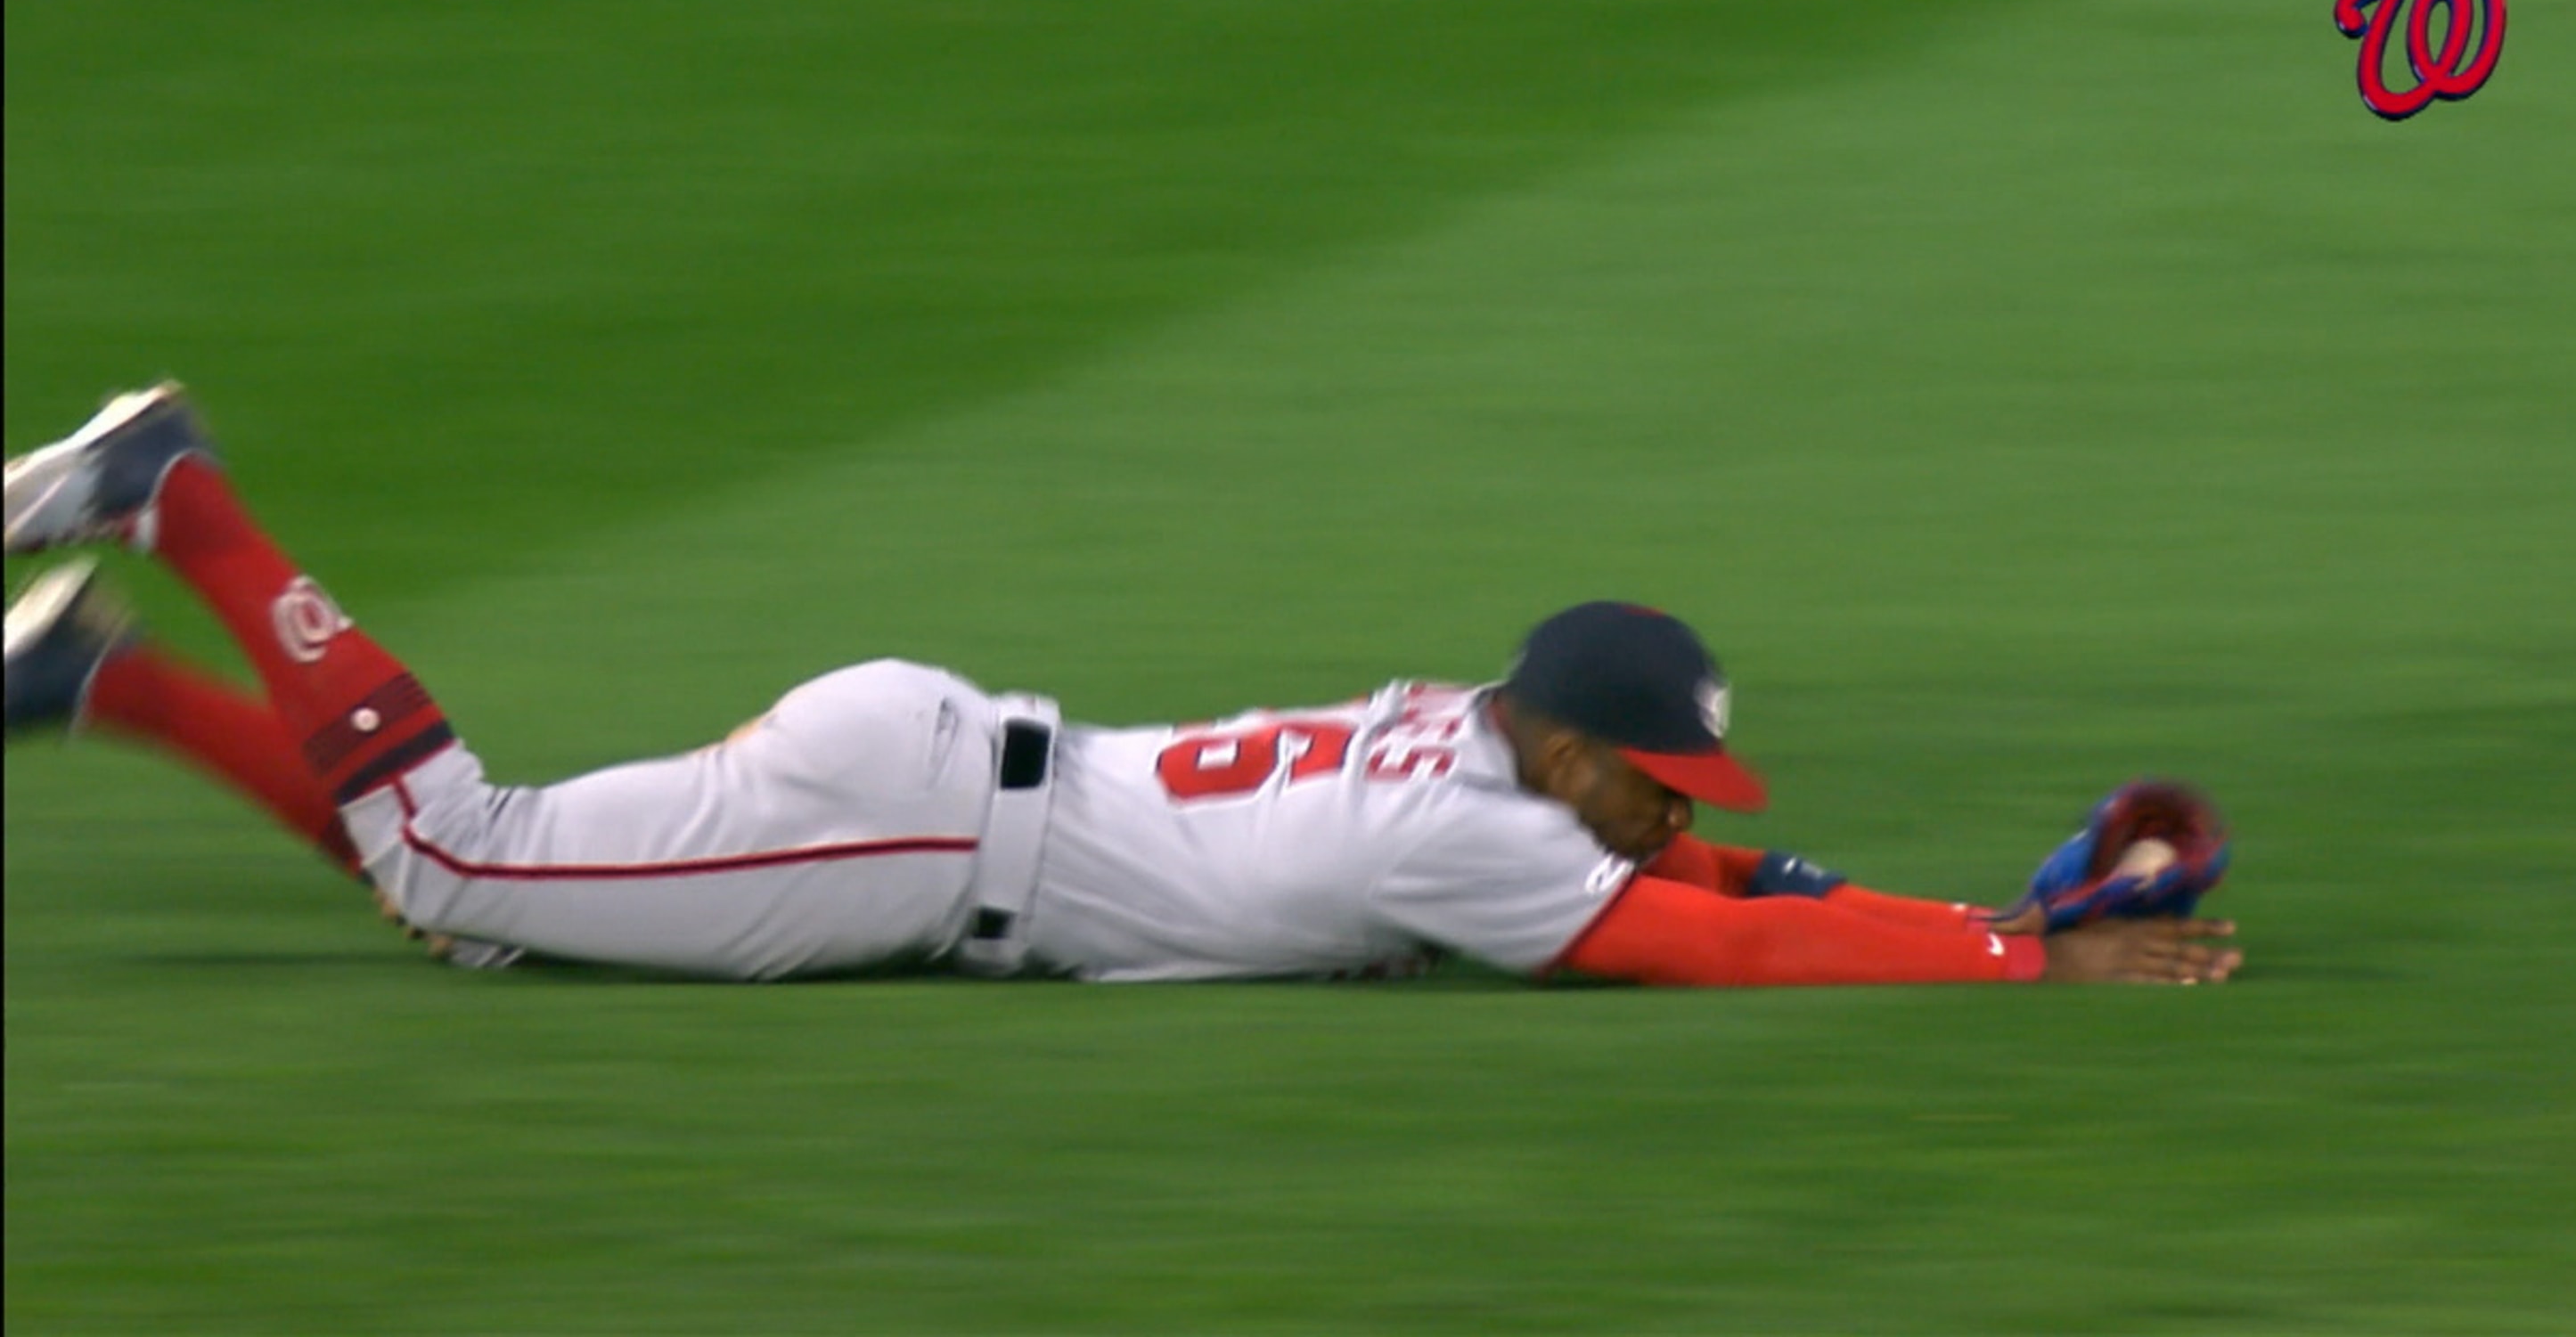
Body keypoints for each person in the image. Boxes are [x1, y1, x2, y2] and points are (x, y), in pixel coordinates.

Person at [4, 384, 2243, 988]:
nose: (1673, 805)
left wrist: (2004, 907)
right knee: (458, 852)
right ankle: (177, 496)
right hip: (909, 838)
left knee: (470, 900)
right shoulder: (1470, 834)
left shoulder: (1479, 752)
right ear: (1561, 752)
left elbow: (1712, 876)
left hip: (921, 775)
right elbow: (1696, 937)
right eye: (1646, 776)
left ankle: (88, 690)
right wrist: (2003, 966)